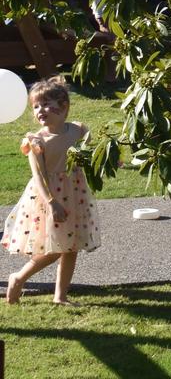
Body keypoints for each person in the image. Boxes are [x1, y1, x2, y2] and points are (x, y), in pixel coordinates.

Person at [3, 76, 100, 305]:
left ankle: (60, 295)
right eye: (36, 106)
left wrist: (108, 160)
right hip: (48, 196)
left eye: (46, 104)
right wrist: (51, 202)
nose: (40, 110)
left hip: (75, 193)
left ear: (63, 106)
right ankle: (18, 277)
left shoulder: (78, 130)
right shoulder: (35, 140)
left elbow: (90, 156)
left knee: (71, 246)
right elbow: (38, 175)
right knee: (55, 248)